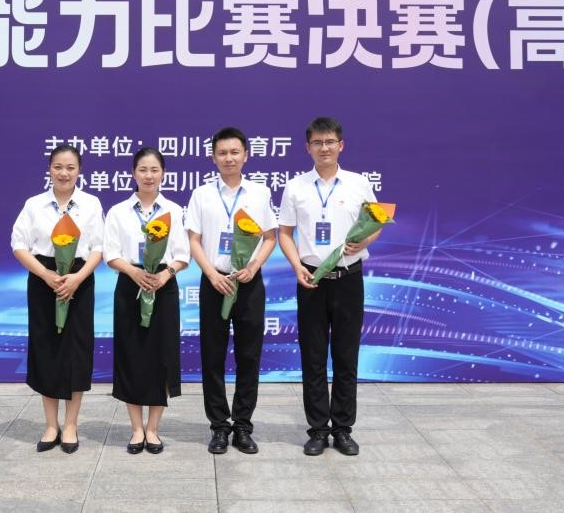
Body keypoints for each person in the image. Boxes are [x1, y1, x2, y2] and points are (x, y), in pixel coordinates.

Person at [277, 117, 382, 457]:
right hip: (311, 280)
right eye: (318, 143)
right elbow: (284, 233)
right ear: (307, 147)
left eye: (330, 142)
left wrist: (364, 240)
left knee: (346, 356)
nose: (324, 148)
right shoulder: (295, 187)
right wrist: (296, 266)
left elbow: (377, 223)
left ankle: (343, 429)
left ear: (341, 145)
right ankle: (318, 430)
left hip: (348, 279)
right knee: (313, 356)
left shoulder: (359, 183)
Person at [185, 126, 277, 455]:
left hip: (249, 283)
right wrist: (211, 274)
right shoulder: (202, 194)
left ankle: (243, 426)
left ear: (246, 155)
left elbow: (270, 237)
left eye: (234, 152)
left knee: (249, 356)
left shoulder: (259, 193)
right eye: (222, 153)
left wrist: (253, 267)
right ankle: (219, 427)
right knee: (213, 356)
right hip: (215, 282)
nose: (229, 158)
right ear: (213, 158)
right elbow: (193, 240)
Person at [10, 144, 104, 454]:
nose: (64, 173)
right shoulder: (34, 205)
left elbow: (98, 248)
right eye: (58, 167)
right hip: (43, 280)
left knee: (77, 350)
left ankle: (71, 425)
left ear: (79, 171)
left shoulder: (91, 204)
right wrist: (46, 275)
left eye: (70, 168)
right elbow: (19, 245)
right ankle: (51, 425)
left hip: (79, 280)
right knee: (46, 349)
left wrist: (77, 278)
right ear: (49, 169)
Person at [104, 147, 190, 454]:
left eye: (154, 170)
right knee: (132, 355)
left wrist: (165, 275)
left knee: (160, 356)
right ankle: (136, 429)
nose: (149, 176)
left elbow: (182, 254)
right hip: (130, 286)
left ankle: (153, 429)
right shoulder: (118, 211)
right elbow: (110, 253)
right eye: (143, 169)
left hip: (164, 286)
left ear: (163, 173)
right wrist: (133, 272)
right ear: (133, 173)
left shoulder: (174, 211)